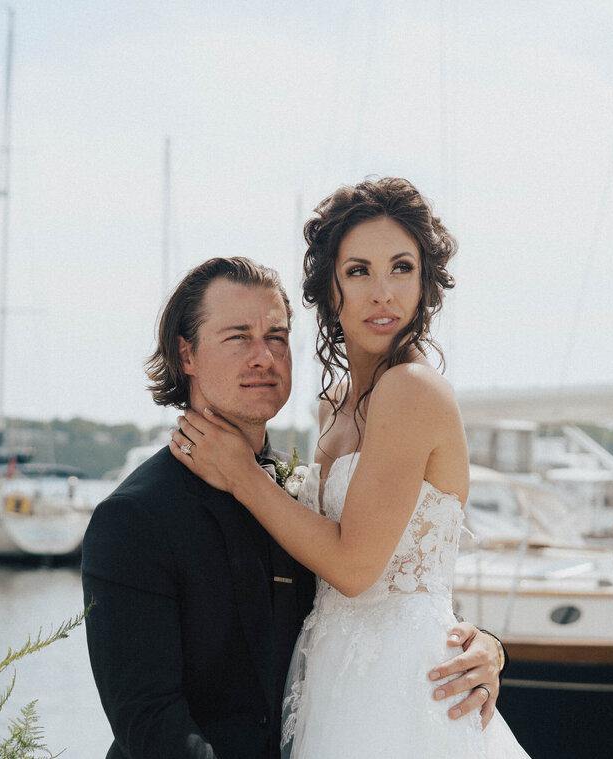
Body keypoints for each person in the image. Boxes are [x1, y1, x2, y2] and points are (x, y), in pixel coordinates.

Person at [82, 256, 505, 759]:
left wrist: (485, 647)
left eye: (277, 337)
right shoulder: (133, 519)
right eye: (238, 336)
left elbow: (378, 590)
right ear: (186, 353)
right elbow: (150, 722)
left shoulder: (303, 493)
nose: (263, 357)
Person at [172, 179, 530, 758]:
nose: (383, 293)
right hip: (333, 672)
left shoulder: (412, 391)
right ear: (330, 288)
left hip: (403, 687)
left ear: (425, 285)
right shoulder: (334, 403)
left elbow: (357, 567)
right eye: (360, 271)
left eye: (402, 268)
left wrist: (243, 474)